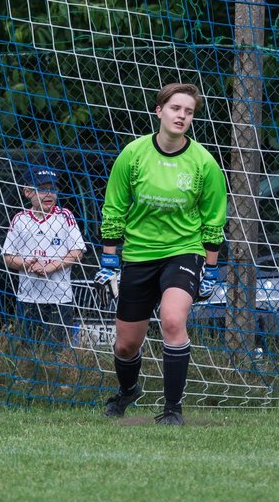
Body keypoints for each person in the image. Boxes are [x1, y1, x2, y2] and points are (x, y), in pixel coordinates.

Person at [96, 82, 228, 425]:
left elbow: (214, 220)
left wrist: (210, 270)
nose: (181, 115)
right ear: (159, 111)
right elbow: (114, 207)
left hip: (184, 252)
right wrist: (110, 259)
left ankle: (172, 410)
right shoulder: (134, 154)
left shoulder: (204, 163)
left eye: (188, 111)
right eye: (175, 108)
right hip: (138, 255)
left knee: (172, 320)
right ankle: (127, 391)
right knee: (126, 345)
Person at [0, 166, 86, 346]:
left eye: (53, 189)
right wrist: (25, 264)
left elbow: (77, 252)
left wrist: (50, 267)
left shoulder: (65, 216)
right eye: (42, 189)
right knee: (28, 347)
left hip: (59, 297)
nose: (49, 194)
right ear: (27, 192)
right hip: (28, 297)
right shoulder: (20, 219)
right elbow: (7, 257)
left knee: (57, 346)